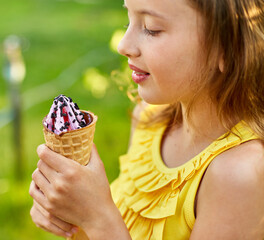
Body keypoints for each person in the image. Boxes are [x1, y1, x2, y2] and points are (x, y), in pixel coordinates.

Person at [29, 0, 264, 239]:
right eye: (128, 19)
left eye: (151, 28)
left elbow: (105, 225)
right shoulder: (148, 119)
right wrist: (73, 214)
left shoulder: (240, 177)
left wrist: (98, 218)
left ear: (227, 47)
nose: (123, 45)